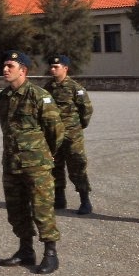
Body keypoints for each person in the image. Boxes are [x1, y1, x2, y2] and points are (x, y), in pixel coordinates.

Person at [0, 51, 63, 275]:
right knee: (16, 210)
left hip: (36, 165)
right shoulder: (1, 99)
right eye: (4, 65)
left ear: (23, 70)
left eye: (10, 66)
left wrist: (46, 154)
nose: (5, 69)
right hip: (12, 164)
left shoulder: (39, 96)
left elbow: (55, 130)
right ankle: (26, 250)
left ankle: (50, 254)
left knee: (42, 209)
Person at [44, 55, 94, 214]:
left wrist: (77, 127)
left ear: (65, 68)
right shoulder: (48, 88)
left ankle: (85, 200)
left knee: (77, 165)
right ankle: (60, 198)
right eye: (51, 66)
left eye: (56, 67)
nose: (52, 69)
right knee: (55, 166)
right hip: (53, 135)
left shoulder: (75, 88)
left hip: (72, 135)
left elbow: (86, 110)